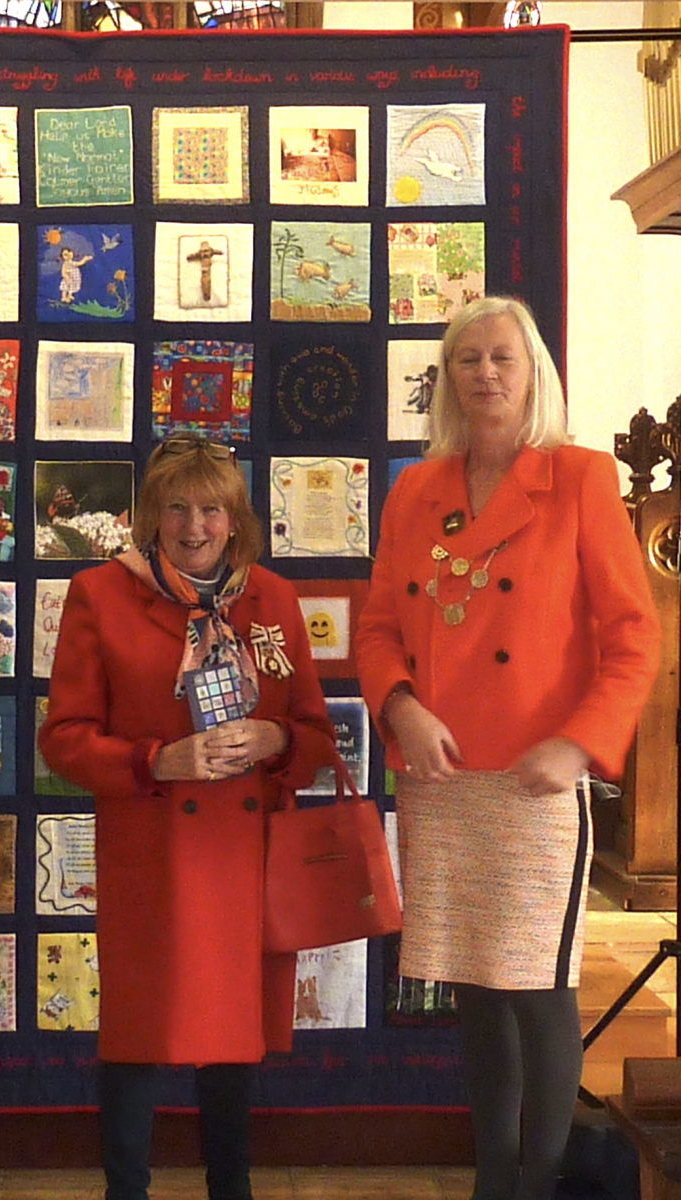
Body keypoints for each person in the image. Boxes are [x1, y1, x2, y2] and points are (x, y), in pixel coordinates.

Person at [354, 297, 661, 1200]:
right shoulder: (416, 489)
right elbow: (377, 629)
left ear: (533, 374)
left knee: (536, 984)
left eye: (502, 359)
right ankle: (495, 1175)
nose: (485, 374)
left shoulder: (579, 480)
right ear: (446, 379)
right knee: (477, 986)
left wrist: (580, 744)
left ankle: (543, 1180)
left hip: (536, 777)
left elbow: (634, 637)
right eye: (466, 360)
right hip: (443, 776)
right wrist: (401, 706)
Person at [39, 436, 337, 1200]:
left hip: (247, 856)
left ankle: (230, 1187)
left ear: (236, 518)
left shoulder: (273, 599)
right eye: (177, 506)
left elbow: (315, 737)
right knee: (138, 1034)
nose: (194, 525)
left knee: (233, 1036)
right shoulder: (100, 594)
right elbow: (64, 740)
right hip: (154, 849)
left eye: (211, 508)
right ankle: (125, 1190)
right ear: (151, 515)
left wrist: (275, 739)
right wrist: (153, 761)